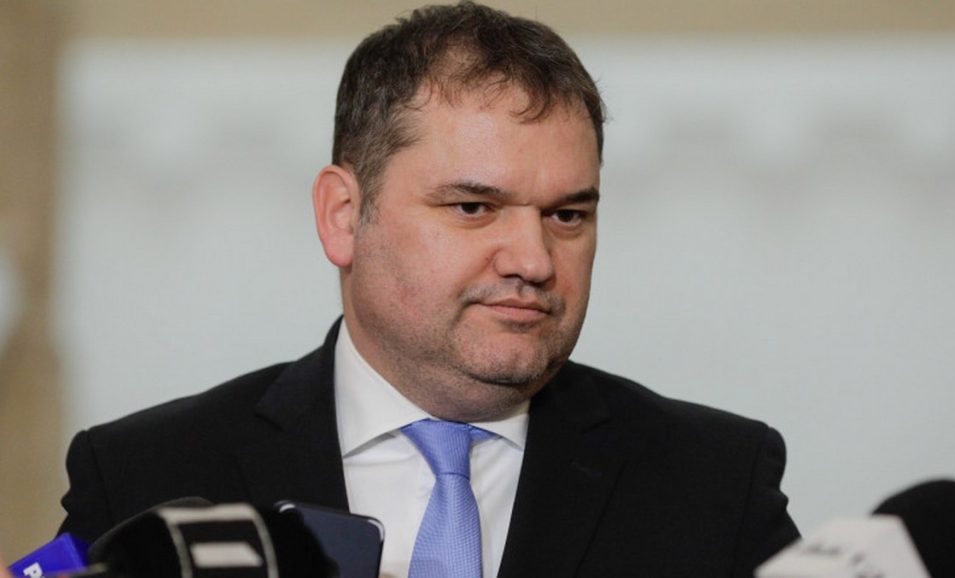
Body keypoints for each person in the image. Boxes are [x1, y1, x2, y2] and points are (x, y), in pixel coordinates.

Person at [58, 2, 799, 577]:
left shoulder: (715, 482)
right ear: (343, 216)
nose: (535, 260)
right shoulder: (144, 476)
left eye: (567, 215)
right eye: (474, 207)